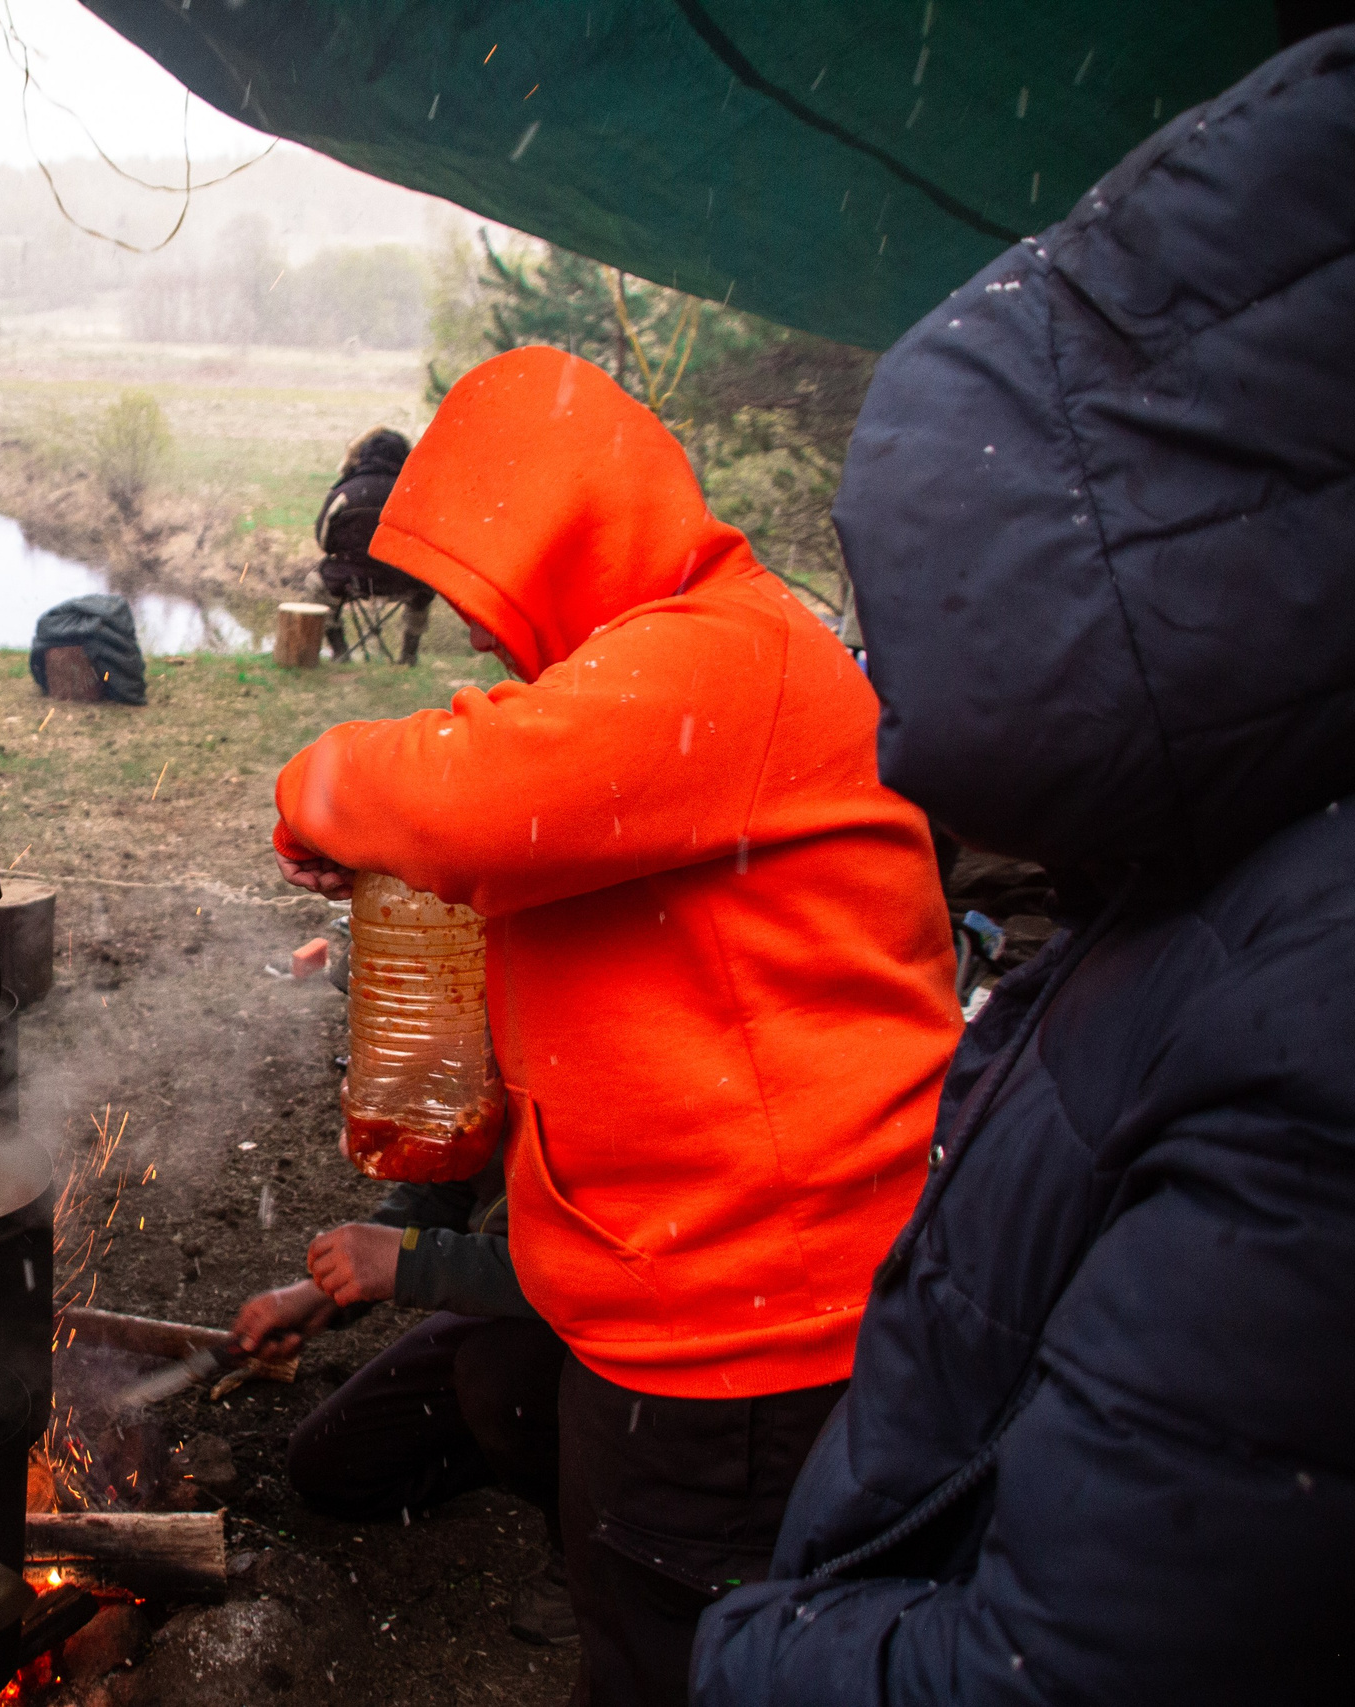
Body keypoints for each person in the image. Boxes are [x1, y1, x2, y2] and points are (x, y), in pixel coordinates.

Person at [695, 28, 1355, 1706]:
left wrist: (755, 1647)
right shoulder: (1231, 855)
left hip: (767, 1405)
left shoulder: (1303, 1013)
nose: (898, 716)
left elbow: (1059, 1669)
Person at [267, 347, 961, 1707]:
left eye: (484, 586)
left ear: (563, 536)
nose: (474, 632)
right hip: (693, 1286)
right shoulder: (677, 670)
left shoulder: (718, 656)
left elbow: (458, 798)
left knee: (673, 1653)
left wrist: (315, 788)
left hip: (745, 1326)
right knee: (633, 1573)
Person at [234, 1186, 576, 1644]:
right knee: (333, 1465)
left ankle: (596, 1550)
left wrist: (410, 1262)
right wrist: (326, 1292)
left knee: (496, 1377)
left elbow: (589, 1269)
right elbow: (459, 1188)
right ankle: (544, 1444)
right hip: (514, 1297)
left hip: (628, 1337)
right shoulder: (510, 1115)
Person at [310, 426, 434, 664]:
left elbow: (323, 541)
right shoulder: (419, 495)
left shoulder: (345, 492)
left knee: (315, 585)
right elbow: (432, 543)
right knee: (426, 584)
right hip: (406, 580)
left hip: (352, 578)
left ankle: (340, 651)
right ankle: (409, 654)